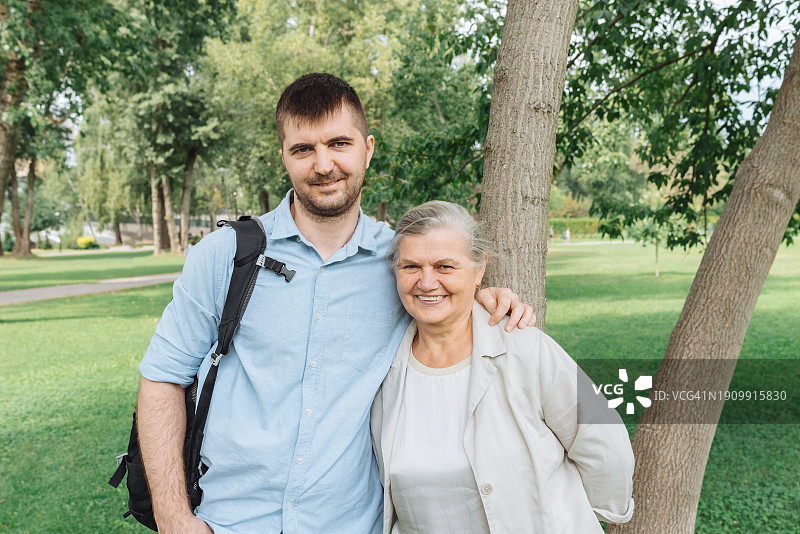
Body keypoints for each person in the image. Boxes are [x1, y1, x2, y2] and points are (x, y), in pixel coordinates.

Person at [136, 73, 535, 534]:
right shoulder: (225, 255)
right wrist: (173, 519)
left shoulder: (399, 263)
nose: (323, 164)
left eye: (339, 143)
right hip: (230, 521)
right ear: (283, 156)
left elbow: (442, 288)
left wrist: (480, 295)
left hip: (350, 524)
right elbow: (163, 378)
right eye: (303, 149)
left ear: (367, 148)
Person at [371, 201, 634, 534]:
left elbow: (603, 437)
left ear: (479, 269)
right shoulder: (385, 367)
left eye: (445, 267)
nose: (426, 282)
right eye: (411, 267)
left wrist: (588, 515)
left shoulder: (526, 348)